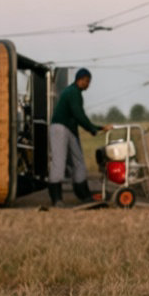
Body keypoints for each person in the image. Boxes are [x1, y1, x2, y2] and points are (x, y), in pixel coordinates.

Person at [47, 67, 112, 207]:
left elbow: (76, 119)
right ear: (80, 80)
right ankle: (56, 199)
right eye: (87, 81)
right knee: (59, 162)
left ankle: (83, 194)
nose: (88, 84)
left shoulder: (74, 92)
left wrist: (96, 129)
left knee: (79, 161)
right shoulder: (73, 92)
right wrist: (94, 129)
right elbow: (79, 115)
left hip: (69, 129)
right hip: (59, 127)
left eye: (89, 82)